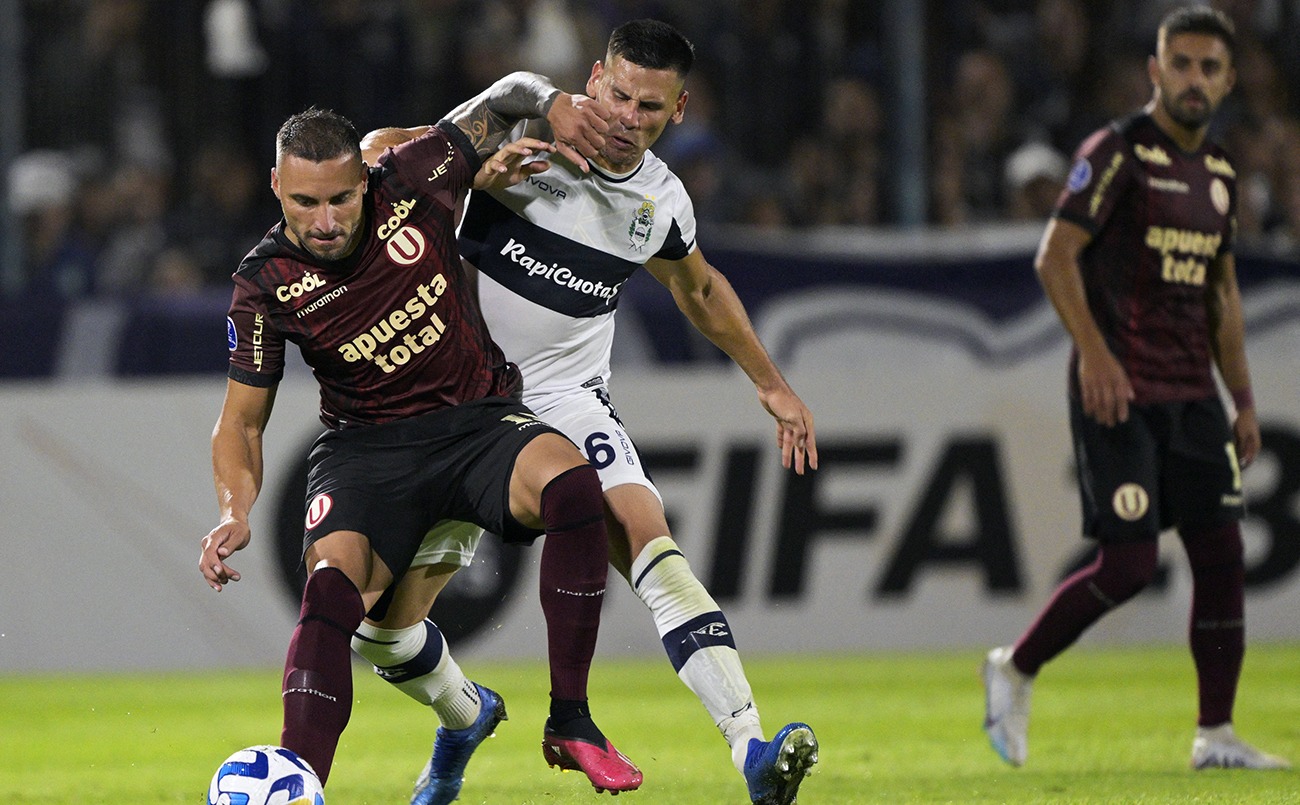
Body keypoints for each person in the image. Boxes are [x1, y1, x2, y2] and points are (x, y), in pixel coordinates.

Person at [356, 19, 820, 805]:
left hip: (565, 400)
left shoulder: (661, 201)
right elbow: (374, 153)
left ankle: (752, 747)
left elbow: (698, 290)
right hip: (455, 405)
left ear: (677, 112)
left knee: (650, 540)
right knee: (381, 631)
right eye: (619, 94)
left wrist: (771, 383)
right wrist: (469, 173)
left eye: (650, 107)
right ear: (595, 78)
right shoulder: (521, 128)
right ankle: (465, 714)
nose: (627, 117)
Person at [198, 71, 646, 799]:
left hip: (476, 420)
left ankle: (571, 719)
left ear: (364, 179)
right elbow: (241, 420)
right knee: (332, 597)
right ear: (275, 184)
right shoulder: (263, 283)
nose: (326, 220)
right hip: (368, 450)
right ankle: (300, 781)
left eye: (342, 197)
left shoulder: (415, 176)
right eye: (305, 201)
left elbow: (507, 98)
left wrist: (554, 105)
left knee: (571, 485)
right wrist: (232, 509)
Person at [981, 6, 1290, 771]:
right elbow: (1055, 256)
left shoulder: (1220, 175)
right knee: (1129, 566)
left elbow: (1221, 294)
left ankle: (1215, 734)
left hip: (1194, 397)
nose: (1194, 80)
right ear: (1156, 71)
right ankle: (1014, 666)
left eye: (1209, 68)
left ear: (1227, 80)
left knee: (1221, 558)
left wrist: (1243, 400)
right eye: (1180, 64)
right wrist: (1095, 355)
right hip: (1119, 391)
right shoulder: (1116, 152)